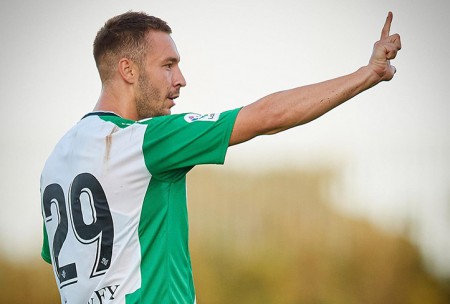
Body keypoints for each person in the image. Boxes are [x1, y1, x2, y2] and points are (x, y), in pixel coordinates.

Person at [40, 10, 401, 304]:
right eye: (168, 65)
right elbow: (266, 116)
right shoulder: (145, 141)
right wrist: (366, 74)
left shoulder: (55, 162)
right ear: (128, 70)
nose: (180, 79)